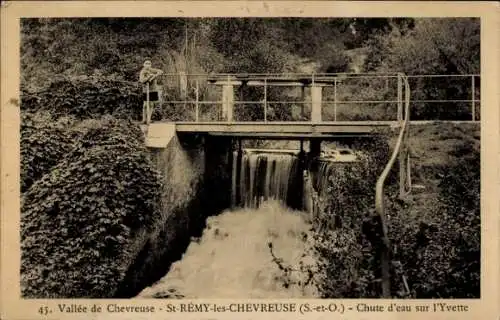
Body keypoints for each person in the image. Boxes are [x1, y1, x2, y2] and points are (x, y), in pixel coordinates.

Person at [139, 60, 163, 124]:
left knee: (151, 104)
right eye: (146, 63)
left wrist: (155, 75)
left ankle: (149, 119)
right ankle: (144, 119)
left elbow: (161, 71)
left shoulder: (152, 70)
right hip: (146, 90)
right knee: (145, 105)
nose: (148, 65)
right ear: (144, 64)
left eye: (149, 63)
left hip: (153, 89)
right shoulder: (142, 71)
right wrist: (149, 77)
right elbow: (142, 80)